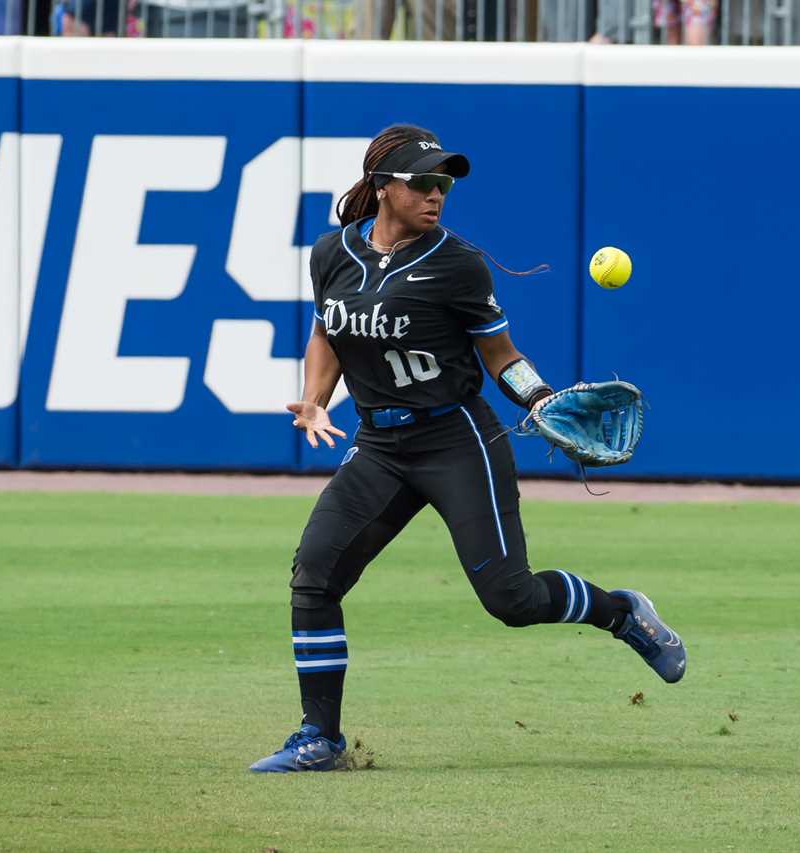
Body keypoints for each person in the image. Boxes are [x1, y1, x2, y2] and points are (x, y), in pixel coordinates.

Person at [249, 124, 687, 774]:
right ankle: (320, 736)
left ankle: (621, 612)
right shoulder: (331, 253)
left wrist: (538, 398)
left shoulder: (456, 263)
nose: (437, 193)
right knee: (315, 574)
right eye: (423, 181)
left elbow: (501, 358)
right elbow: (328, 333)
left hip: (456, 439)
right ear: (382, 186)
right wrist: (314, 397)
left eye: (444, 182)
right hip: (379, 444)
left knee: (511, 599)